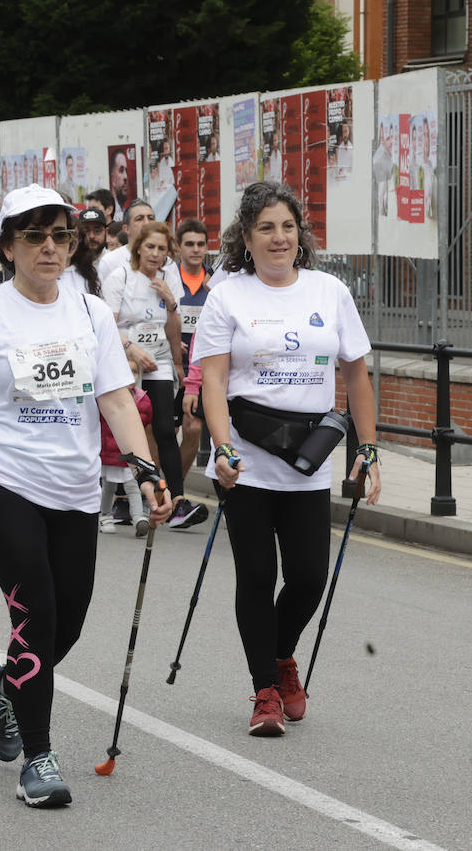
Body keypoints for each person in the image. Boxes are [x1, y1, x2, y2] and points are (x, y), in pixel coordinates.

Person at [0, 183, 172, 808]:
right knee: (35, 606)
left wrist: (146, 469)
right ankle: (38, 757)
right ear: (8, 246)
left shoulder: (90, 312)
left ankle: (4, 680)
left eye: (59, 236)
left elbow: (116, 398)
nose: (48, 248)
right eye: (33, 236)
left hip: (74, 489)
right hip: (0, 480)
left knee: (68, 617)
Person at [193, 181, 380, 736]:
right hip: (245, 460)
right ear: (245, 239)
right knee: (255, 575)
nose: (279, 238)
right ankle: (265, 692)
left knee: (307, 579)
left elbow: (356, 376)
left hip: (308, 461)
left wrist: (367, 448)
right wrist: (222, 448)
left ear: (301, 236)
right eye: (266, 228)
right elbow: (215, 379)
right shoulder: (229, 295)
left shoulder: (329, 291)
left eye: (288, 227)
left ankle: (281, 656)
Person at [102, 222, 196, 526]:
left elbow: (173, 329)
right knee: (127, 428)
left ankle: (177, 500)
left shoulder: (170, 279)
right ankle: (120, 499)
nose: (155, 255)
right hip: (126, 360)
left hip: (158, 360)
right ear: (138, 247)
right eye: (150, 247)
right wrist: (131, 349)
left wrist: (170, 303)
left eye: (162, 249)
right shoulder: (121, 277)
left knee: (165, 429)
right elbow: (108, 326)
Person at [172, 219, 214, 529]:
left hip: (197, 372)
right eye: (190, 244)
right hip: (164, 368)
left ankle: (176, 493)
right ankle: (160, 491)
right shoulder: (170, 279)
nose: (196, 249)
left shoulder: (215, 287)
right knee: (158, 434)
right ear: (179, 247)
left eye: (201, 244)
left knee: (193, 429)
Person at [98, 370, 152, 536]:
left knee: (132, 486)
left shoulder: (142, 399)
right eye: (127, 371)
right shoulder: (106, 394)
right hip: (109, 452)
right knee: (108, 486)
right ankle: (105, 516)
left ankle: (138, 518)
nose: (131, 376)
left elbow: (146, 418)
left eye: (135, 372)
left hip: (129, 452)